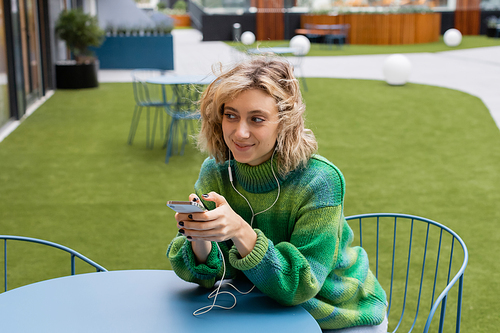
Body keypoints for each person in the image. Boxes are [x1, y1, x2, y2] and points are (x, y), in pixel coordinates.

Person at [166, 56, 387, 332]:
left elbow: (300, 285)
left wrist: (240, 230)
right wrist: (200, 238)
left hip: (338, 312)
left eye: (256, 119)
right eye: (230, 115)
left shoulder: (320, 180)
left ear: (284, 122)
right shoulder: (217, 171)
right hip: (264, 305)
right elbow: (210, 273)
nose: (239, 132)